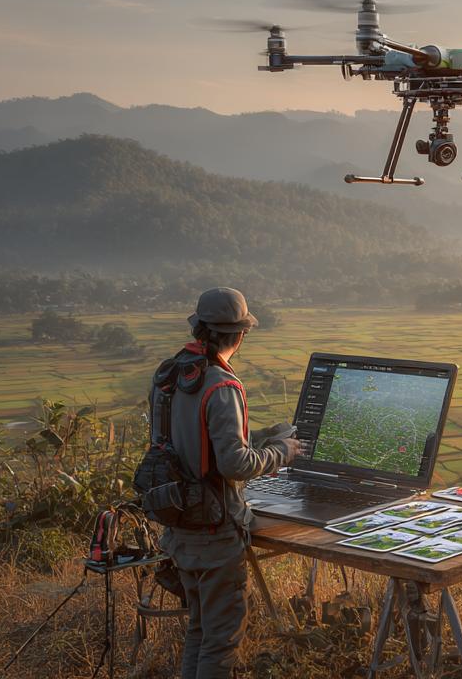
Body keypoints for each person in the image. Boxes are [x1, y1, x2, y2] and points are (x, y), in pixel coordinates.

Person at [153, 287, 300, 679]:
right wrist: (282, 451)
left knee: (199, 629)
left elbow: (194, 444)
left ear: (199, 328)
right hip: (215, 533)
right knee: (220, 641)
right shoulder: (222, 385)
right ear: (240, 334)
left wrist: (265, 437)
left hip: (179, 524)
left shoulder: (171, 375)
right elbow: (234, 464)